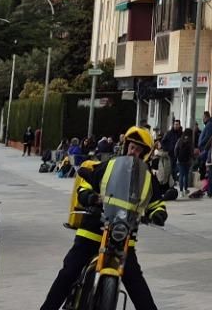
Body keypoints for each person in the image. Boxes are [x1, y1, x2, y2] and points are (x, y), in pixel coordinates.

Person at [39, 125, 171, 310]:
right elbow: (85, 185)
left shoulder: (148, 178)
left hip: (122, 236)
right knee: (69, 272)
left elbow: (156, 203)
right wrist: (90, 197)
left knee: (136, 282)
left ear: (144, 154)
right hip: (93, 230)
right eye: (132, 147)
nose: (134, 152)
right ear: (126, 147)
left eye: (139, 150)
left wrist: (158, 214)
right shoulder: (109, 166)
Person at [171, 126, 194, 194]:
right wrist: (192, 158)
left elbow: (175, 149)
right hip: (187, 161)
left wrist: (177, 157)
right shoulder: (190, 141)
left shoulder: (180, 140)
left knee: (181, 175)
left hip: (180, 160)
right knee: (186, 175)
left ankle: (181, 191)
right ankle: (185, 189)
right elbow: (191, 151)